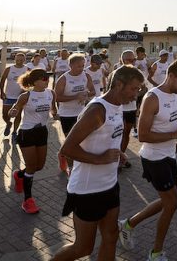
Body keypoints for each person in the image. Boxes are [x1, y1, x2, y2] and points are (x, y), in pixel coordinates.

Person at [51, 65, 142, 261]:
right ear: (118, 84)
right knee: (83, 248)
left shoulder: (118, 105)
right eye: (134, 88)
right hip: (87, 190)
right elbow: (66, 149)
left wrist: (118, 154)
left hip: (110, 185)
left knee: (111, 237)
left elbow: (107, 138)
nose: (136, 94)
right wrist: (100, 159)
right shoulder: (96, 110)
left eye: (139, 89)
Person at [118, 60, 177, 260]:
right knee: (171, 203)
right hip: (153, 158)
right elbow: (144, 136)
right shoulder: (152, 98)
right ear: (171, 75)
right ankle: (155, 253)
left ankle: (128, 224)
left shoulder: (176, 95)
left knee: (167, 201)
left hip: (169, 155)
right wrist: (174, 135)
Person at [9, 69, 57, 214]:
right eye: (43, 78)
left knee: (39, 166)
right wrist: (13, 112)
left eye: (47, 77)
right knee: (31, 166)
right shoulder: (26, 96)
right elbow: (15, 109)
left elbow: (53, 110)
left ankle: (19, 175)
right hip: (27, 133)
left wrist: (58, 115)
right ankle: (28, 201)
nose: (46, 80)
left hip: (42, 131)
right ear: (35, 81)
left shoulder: (51, 93)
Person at [55, 54, 95, 175]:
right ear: (71, 65)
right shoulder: (63, 79)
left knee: (82, 140)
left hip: (82, 113)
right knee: (70, 142)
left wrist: (86, 95)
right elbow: (57, 97)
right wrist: (75, 97)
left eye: (83, 66)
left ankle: (70, 159)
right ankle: (71, 168)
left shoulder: (86, 76)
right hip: (66, 114)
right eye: (78, 66)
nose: (82, 68)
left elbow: (93, 91)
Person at [114, 50, 141, 168]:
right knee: (118, 134)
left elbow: (142, 88)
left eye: (134, 59)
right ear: (123, 60)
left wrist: (135, 96)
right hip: (119, 109)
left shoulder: (136, 72)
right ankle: (116, 158)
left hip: (131, 108)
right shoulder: (117, 72)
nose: (133, 62)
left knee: (126, 133)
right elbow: (111, 91)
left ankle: (122, 157)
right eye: (130, 60)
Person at [0, 52, 29, 143]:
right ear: (14, 59)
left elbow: (30, 83)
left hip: (20, 97)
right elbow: (2, 80)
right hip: (8, 96)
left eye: (21, 60)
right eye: (17, 60)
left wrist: (24, 90)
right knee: (5, 114)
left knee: (18, 114)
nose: (19, 61)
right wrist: (1, 92)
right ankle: (8, 123)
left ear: (24, 60)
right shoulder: (9, 69)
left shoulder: (27, 69)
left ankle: (14, 132)